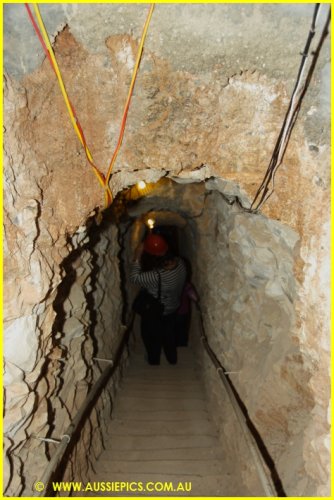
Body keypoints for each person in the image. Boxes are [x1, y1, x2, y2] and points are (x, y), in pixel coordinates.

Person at [130, 233, 186, 365]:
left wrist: (137, 257)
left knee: (151, 336)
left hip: (156, 310)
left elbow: (134, 278)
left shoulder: (156, 275)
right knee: (169, 334)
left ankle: (154, 360)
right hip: (173, 306)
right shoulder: (181, 263)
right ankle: (172, 359)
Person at [176, 281, 199, 347]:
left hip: (170, 312)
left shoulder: (169, 282)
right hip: (183, 312)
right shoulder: (186, 285)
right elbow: (195, 298)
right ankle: (182, 346)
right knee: (182, 331)